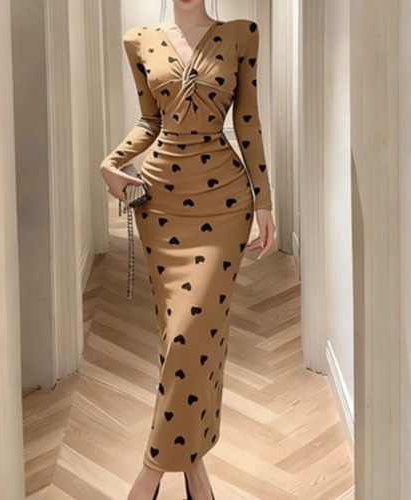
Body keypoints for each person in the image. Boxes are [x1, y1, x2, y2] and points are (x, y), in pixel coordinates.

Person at [99, 0, 276, 498]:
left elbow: (248, 121)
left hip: (224, 205)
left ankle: (151, 472)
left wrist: (264, 202)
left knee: (194, 332)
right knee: (179, 337)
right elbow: (149, 121)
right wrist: (109, 163)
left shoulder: (241, 34)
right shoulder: (139, 41)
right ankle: (194, 469)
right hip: (161, 205)